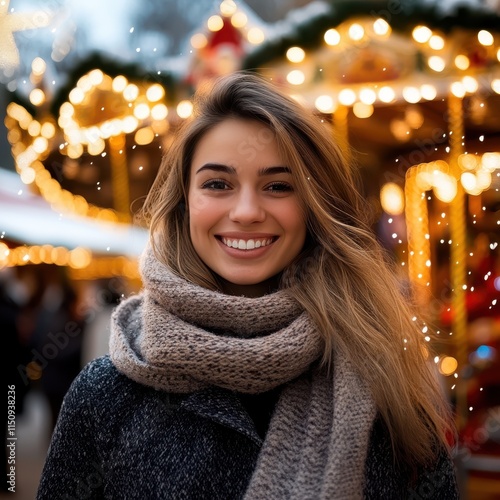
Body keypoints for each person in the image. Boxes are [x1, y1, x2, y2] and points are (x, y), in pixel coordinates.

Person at [36, 72, 459, 499]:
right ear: (185, 202)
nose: (246, 211)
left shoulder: (387, 384)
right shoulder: (105, 398)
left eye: (278, 186)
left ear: (314, 207)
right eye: (217, 184)